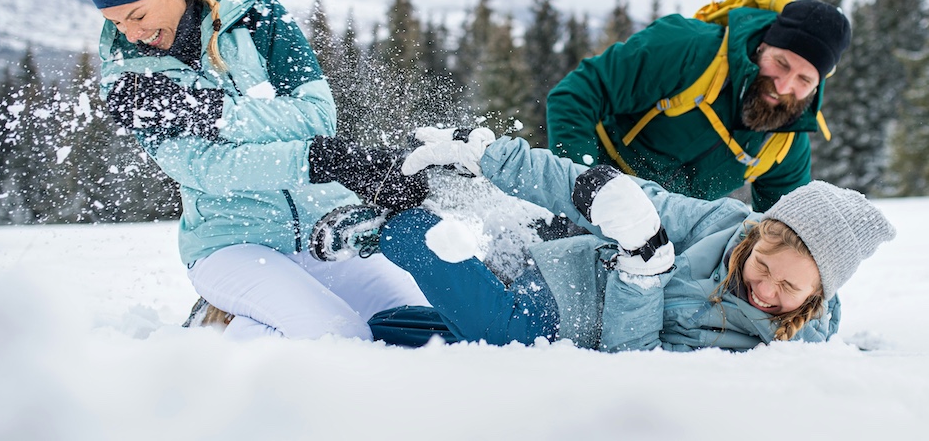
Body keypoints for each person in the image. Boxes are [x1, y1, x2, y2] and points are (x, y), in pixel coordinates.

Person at [80, 0, 430, 340]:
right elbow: (208, 169)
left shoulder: (257, 14)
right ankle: (221, 337)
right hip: (232, 244)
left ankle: (250, 319)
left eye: (136, 15)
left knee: (419, 326)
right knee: (337, 336)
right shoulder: (130, 80)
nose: (132, 35)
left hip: (327, 227)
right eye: (116, 23)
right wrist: (306, 155)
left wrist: (213, 113)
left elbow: (318, 117)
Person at [308, 127, 895, 352]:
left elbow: (633, 359)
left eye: (790, 287)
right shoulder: (721, 228)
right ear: (757, 234)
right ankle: (400, 227)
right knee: (500, 328)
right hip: (563, 287)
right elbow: (604, 195)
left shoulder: (780, 350)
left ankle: (376, 328)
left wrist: (644, 273)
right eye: (764, 262)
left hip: (599, 325)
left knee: (430, 340)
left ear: (819, 295)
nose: (764, 286)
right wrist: (489, 154)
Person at [546, 0, 852, 212]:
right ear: (762, 47)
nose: (783, 86)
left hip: (667, 227)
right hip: (595, 177)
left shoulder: (786, 143)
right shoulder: (687, 48)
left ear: (817, 86)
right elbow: (576, 95)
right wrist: (583, 182)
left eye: (803, 79)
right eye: (780, 63)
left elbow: (785, 228)